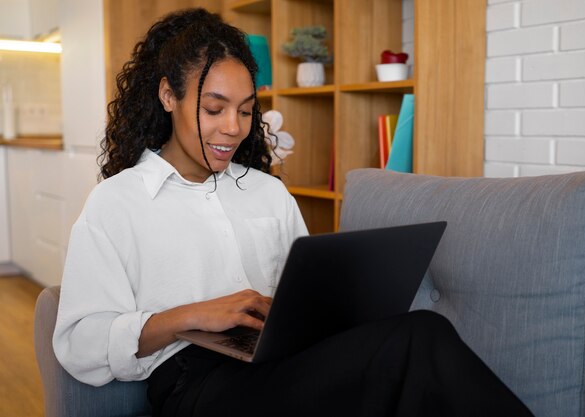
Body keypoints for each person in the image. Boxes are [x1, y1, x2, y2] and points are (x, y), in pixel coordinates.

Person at [53, 8, 533, 417]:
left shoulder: (267, 193)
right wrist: (192, 316)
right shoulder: (118, 201)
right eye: (214, 108)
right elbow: (81, 344)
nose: (233, 128)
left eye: (245, 110)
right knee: (416, 340)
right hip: (195, 385)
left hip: (284, 361)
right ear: (167, 96)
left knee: (413, 344)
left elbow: (305, 296)